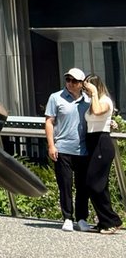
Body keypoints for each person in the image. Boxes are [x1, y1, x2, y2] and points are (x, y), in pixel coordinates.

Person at [45, 68, 93, 231]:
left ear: (81, 84)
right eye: (68, 80)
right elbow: (49, 121)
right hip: (63, 148)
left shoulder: (87, 100)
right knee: (65, 185)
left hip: (83, 149)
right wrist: (51, 145)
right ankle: (67, 217)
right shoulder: (56, 97)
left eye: (74, 81)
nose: (70, 83)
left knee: (83, 186)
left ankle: (81, 218)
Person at [83, 75, 122, 234]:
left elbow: (98, 112)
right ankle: (105, 221)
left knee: (94, 183)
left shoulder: (105, 101)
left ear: (95, 87)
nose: (85, 91)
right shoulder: (93, 101)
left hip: (102, 142)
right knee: (99, 184)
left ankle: (112, 220)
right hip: (92, 142)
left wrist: (93, 94)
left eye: (87, 87)